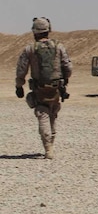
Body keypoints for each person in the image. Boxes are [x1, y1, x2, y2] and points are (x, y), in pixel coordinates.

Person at [15, 17, 72, 159]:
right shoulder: (59, 46)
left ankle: (48, 148)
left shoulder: (30, 49)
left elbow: (21, 69)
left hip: (39, 89)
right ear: (48, 30)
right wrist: (65, 80)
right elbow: (68, 66)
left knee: (42, 114)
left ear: (35, 32)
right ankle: (50, 145)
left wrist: (19, 86)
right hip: (56, 89)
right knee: (52, 114)